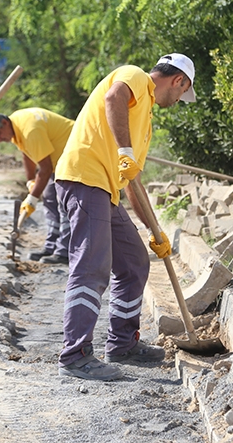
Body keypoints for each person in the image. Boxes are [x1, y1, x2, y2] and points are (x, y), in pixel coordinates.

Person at [54, 53, 196, 381]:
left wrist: (155, 230)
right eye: (181, 93)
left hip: (106, 189)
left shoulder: (143, 121)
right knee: (92, 266)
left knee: (134, 261)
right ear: (179, 81)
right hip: (84, 178)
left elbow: (132, 179)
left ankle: (122, 344)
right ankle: (75, 355)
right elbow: (113, 97)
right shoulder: (134, 77)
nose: (178, 101)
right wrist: (125, 152)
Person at [0, 108, 74, 264]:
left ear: (4, 123)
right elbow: (27, 154)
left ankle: (64, 251)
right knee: (49, 197)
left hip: (77, 156)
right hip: (60, 161)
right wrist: (30, 180)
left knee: (64, 200)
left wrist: (32, 198)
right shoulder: (16, 124)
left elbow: (45, 168)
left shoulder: (29, 129)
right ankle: (52, 247)